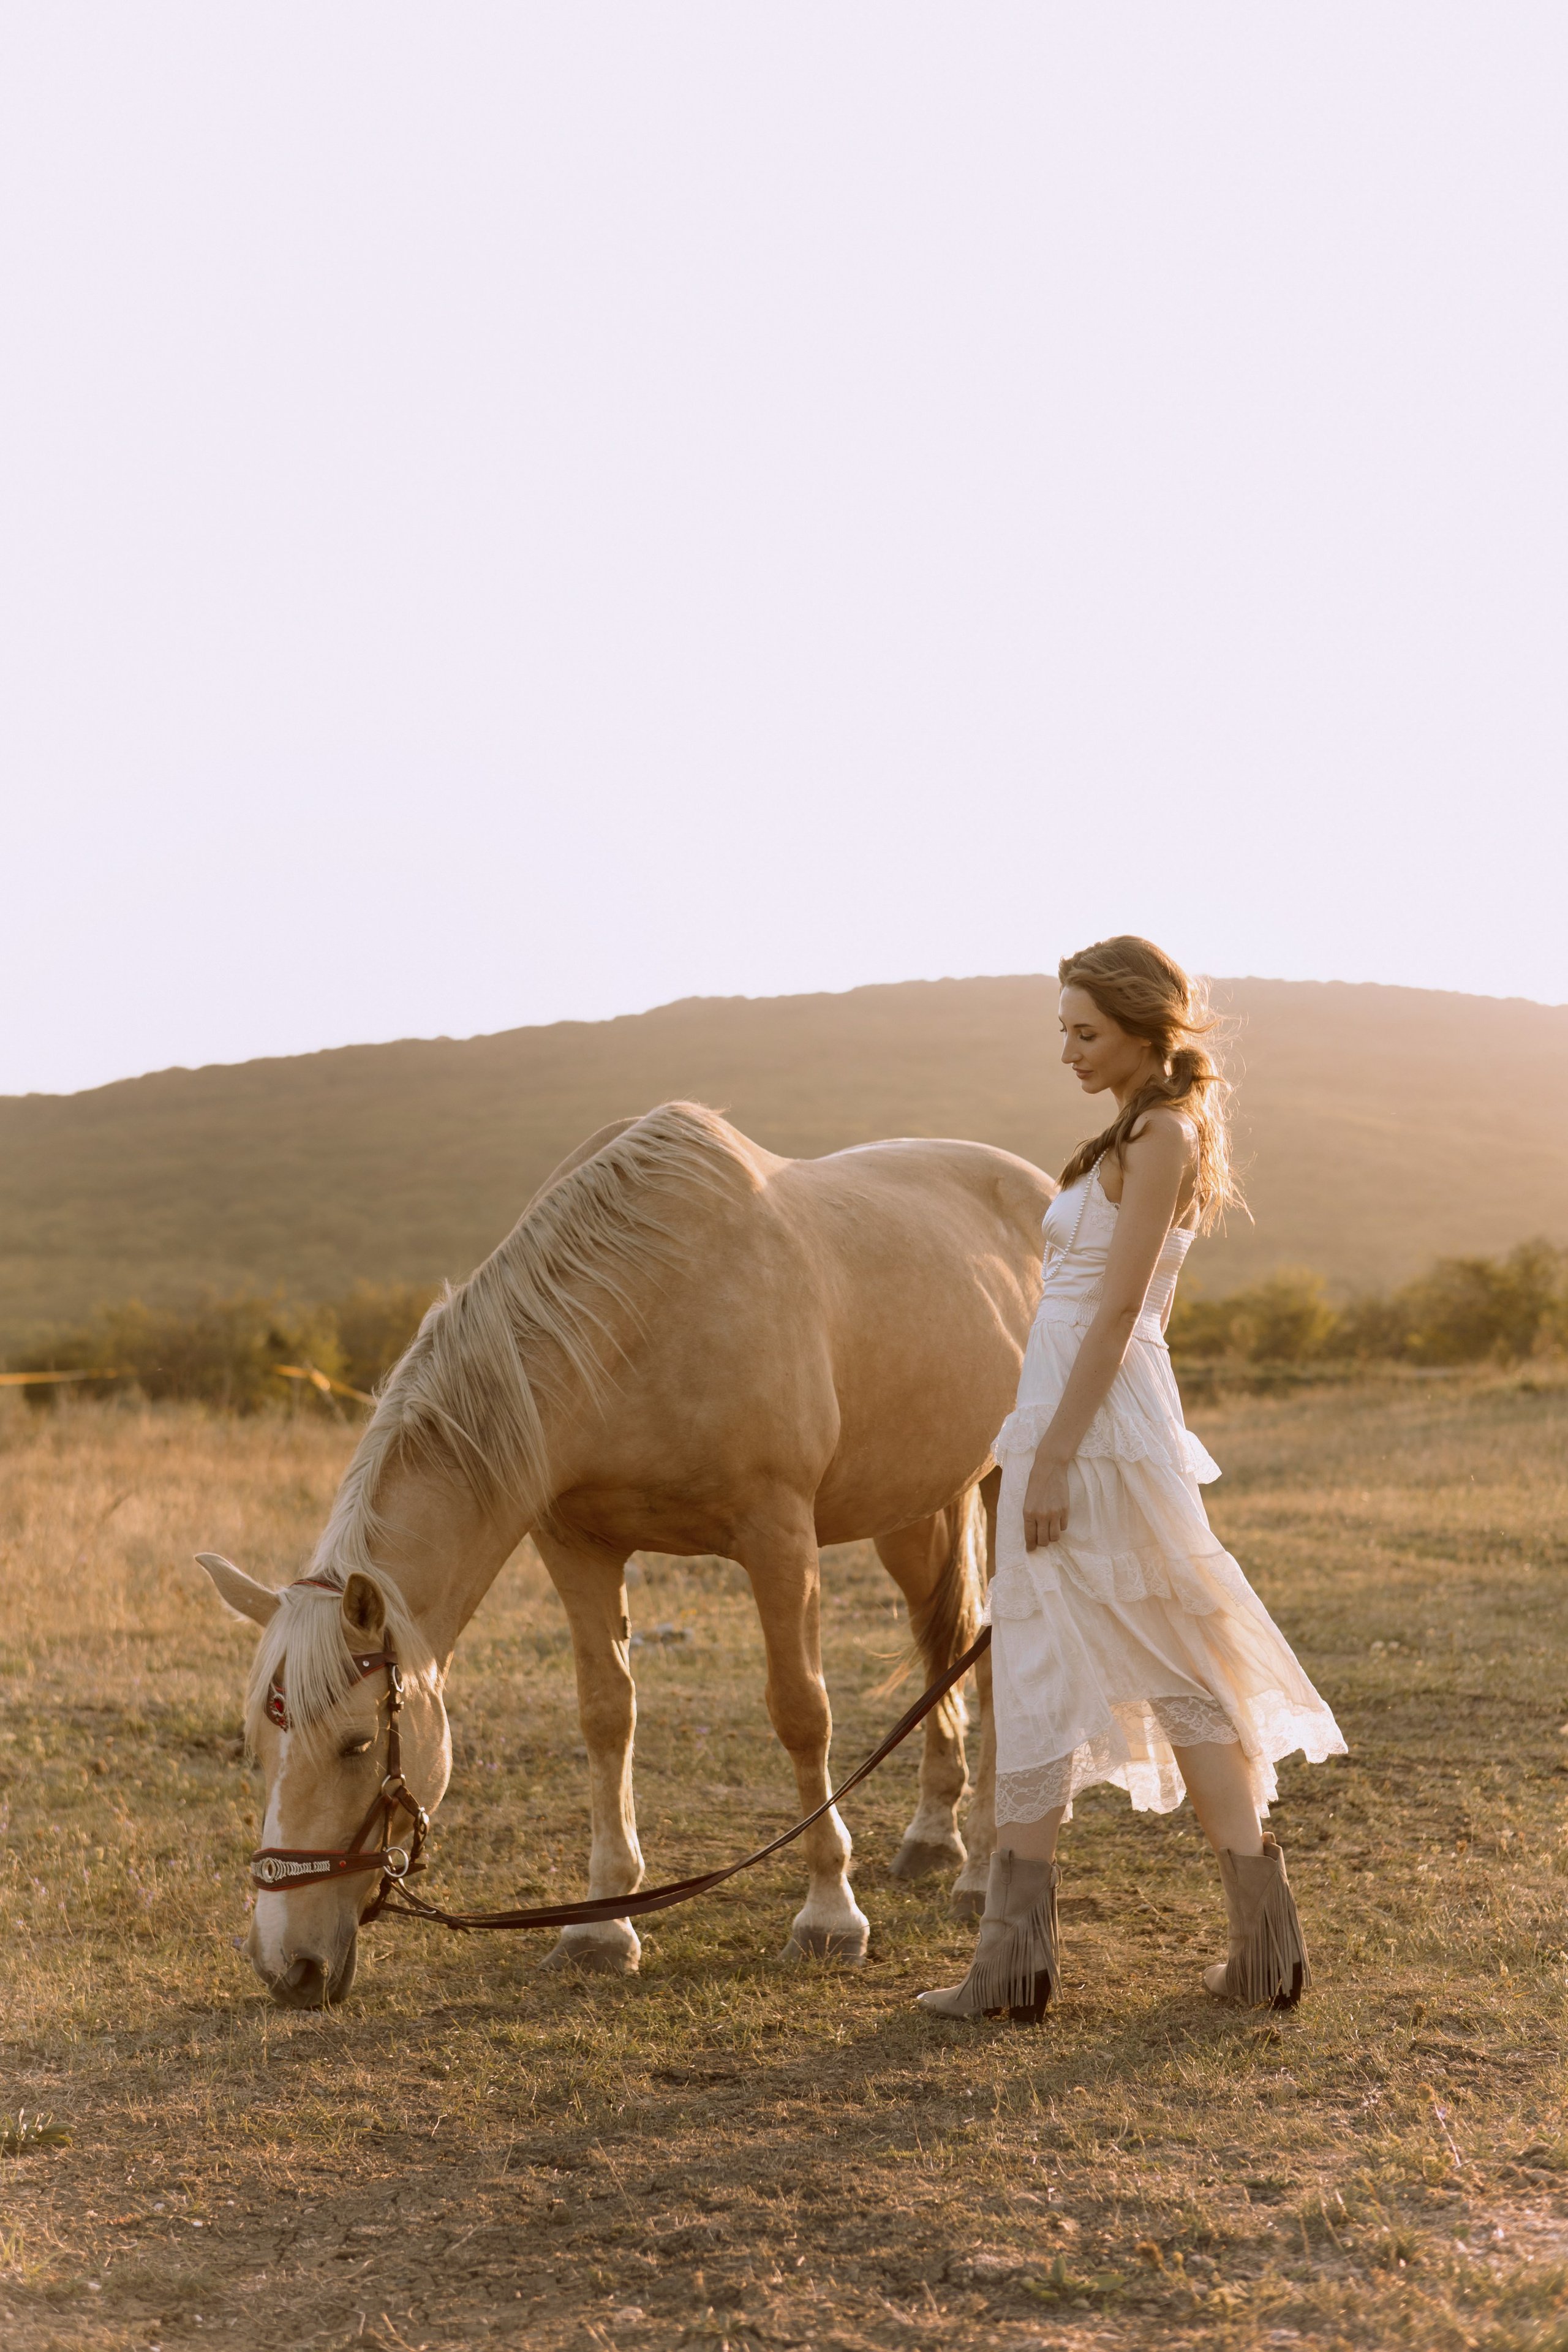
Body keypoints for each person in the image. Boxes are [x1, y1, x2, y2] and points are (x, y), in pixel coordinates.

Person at [919, 936, 1345, 2026]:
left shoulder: (1162, 1133)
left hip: (1091, 1424)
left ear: (1145, 1031)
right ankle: (1243, 1952)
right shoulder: (1136, 1129)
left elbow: (1120, 1309)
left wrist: (1055, 1455)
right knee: (1141, 1661)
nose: (1067, 1051)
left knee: (1110, 1663)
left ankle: (1024, 1964)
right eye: (1063, 1031)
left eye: (1087, 1032)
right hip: (1081, 1408)